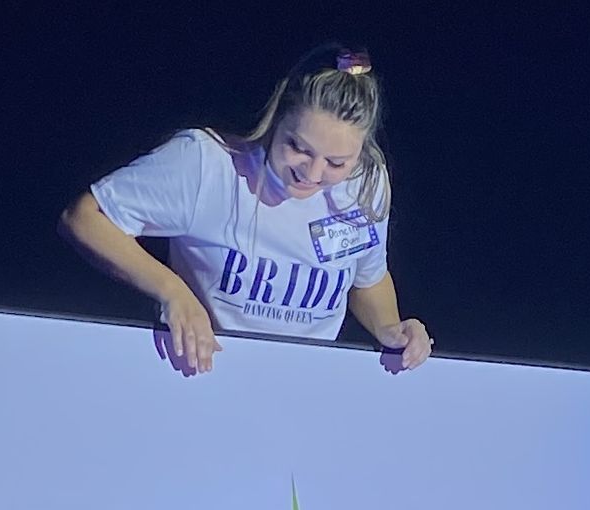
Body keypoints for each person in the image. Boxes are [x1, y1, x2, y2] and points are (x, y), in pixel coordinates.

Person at [61, 43, 432, 375]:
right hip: (203, 373)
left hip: (307, 385)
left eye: (336, 162)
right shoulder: (209, 166)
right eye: (298, 147)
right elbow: (85, 218)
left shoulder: (367, 183)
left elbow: (367, 277)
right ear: (276, 119)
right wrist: (172, 291)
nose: (313, 173)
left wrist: (390, 328)